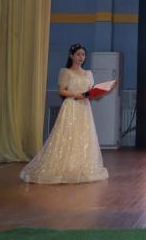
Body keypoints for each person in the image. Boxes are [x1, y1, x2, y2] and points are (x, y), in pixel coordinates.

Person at [20, 44, 111, 184]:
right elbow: (61, 90)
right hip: (71, 106)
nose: (81, 57)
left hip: (84, 108)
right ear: (71, 56)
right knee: (68, 136)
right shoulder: (66, 72)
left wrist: (98, 93)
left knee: (83, 136)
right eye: (78, 54)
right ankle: (66, 166)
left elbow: (90, 92)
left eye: (83, 54)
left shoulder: (88, 73)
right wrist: (76, 94)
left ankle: (80, 166)